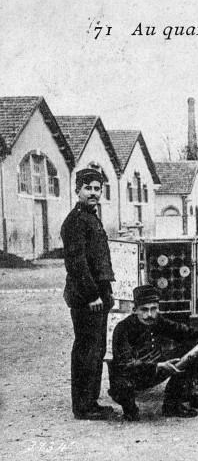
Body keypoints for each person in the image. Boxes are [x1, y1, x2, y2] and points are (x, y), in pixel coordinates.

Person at [108, 285, 198, 421]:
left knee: (189, 351)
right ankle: (130, 408)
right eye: (144, 310)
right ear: (134, 310)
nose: (149, 315)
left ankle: (172, 405)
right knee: (122, 385)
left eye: (153, 309)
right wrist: (159, 365)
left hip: (153, 371)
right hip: (130, 376)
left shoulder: (158, 321)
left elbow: (185, 331)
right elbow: (126, 364)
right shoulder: (122, 329)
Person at [61, 167, 116, 420]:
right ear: (77, 190)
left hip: (98, 296)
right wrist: (93, 295)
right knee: (86, 349)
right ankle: (83, 406)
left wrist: (106, 293)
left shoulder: (91, 218)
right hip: (87, 298)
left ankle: (90, 402)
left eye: (97, 188)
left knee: (96, 349)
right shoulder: (74, 222)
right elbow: (77, 263)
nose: (93, 193)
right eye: (88, 188)